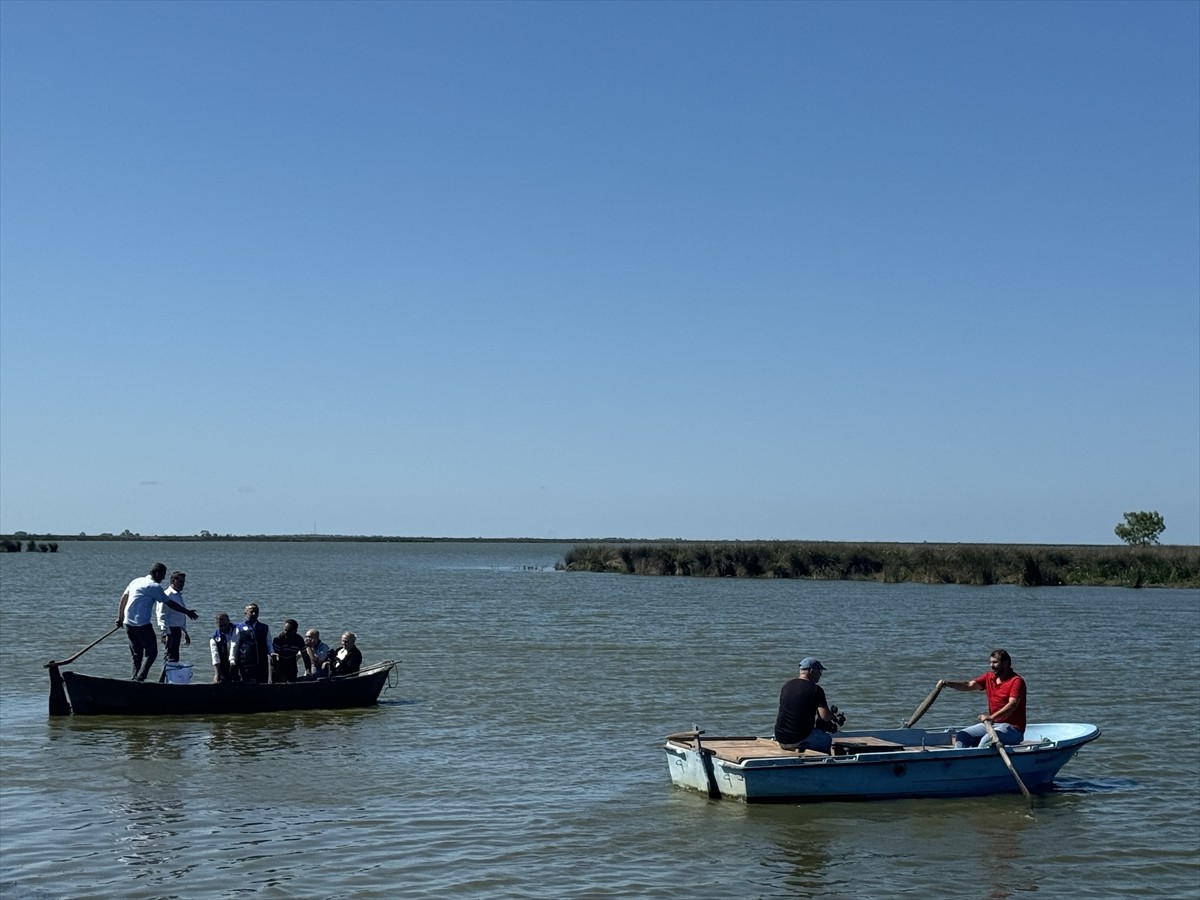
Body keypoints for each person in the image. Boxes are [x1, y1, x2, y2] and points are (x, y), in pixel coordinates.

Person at [116, 563, 197, 681]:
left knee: (137, 654)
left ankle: (134, 680)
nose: (163, 578)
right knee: (152, 653)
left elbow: (123, 598)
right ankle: (140, 679)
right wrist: (187, 612)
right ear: (157, 573)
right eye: (163, 575)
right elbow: (170, 604)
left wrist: (120, 618)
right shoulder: (153, 586)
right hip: (141, 623)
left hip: (128, 623)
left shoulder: (136, 581)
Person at [939, 649, 1027, 747]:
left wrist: (991, 717)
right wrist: (947, 684)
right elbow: (969, 685)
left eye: (995, 662)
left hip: (1013, 730)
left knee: (986, 740)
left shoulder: (1016, 681)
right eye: (990, 662)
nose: (991, 665)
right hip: (992, 725)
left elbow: (1012, 705)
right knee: (962, 736)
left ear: (1005, 663)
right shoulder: (989, 677)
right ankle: (959, 759)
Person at [773, 657, 838, 753]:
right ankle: (822, 764)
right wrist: (832, 715)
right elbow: (825, 717)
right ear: (811, 671)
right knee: (826, 739)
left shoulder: (787, 685)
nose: (820, 674)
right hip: (797, 739)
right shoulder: (816, 689)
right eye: (819, 671)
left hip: (780, 737)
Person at [156, 571, 194, 671]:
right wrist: (167, 634)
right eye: (180, 582)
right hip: (169, 630)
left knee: (174, 657)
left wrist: (185, 632)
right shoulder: (167, 595)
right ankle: (164, 682)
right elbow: (161, 615)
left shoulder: (177, 595)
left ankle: (170, 680)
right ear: (173, 581)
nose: (183, 584)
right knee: (170, 657)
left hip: (177, 630)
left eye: (184, 582)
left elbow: (180, 616)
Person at [233, 603, 272, 684]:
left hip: (262, 663)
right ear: (246, 613)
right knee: (248, 685)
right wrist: (232, 660)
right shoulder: (239, 627)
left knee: (263, 684)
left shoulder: (264, 627)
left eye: (256, 612)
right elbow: (234, 645)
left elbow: (268, 642)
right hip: (246, 663)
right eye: (252, 612)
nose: (254, 614)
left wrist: (272, 653)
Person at [210, 612, 237, 683]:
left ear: (229, 621)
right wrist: (217, 674)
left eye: (225, 625)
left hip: (238, 663)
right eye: (221, 626)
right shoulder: (214, 637)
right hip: (224, 664)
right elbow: (215, 656)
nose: (224, 627)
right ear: (217, 624)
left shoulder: (238, 630)